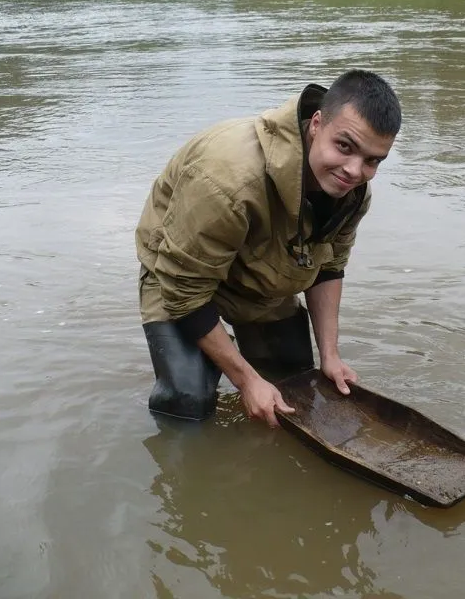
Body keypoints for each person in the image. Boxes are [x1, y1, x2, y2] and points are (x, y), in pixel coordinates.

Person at [135, 69, 401, 427]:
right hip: (179, 273)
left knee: (294, 379)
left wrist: (331, 356)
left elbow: (329, 265)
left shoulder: (351, 192)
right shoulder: (228, 179)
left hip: (260, 268)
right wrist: (245, 381)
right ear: (317, 124)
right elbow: (184, 292)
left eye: (372, 160)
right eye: (345, 146)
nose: (355, 171)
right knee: (189, 398)